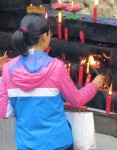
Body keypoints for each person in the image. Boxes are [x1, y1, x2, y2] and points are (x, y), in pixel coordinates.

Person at [0, 13, 105, 150]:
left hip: (27, 144)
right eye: (50, 34)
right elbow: (76, 100)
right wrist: (94, 85)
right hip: (58, 143)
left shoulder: (8, 69)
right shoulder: (56, 67)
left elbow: (5, 112)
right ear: (44, 36)